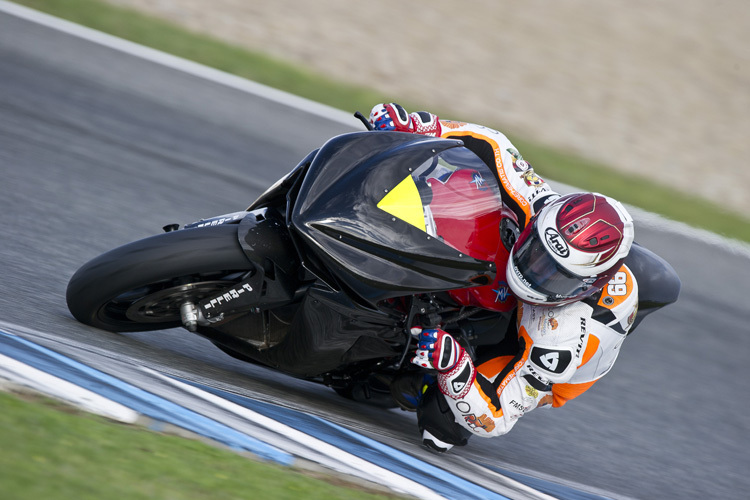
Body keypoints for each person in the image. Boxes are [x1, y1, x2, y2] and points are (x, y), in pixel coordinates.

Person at [369, 103, 637, 452]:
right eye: (537, 252)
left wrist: (454, 366)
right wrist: (422, 124)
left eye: (553, 275)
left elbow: (496, 418)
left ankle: (409, 377)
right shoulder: (538, 204)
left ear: (585, 287)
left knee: (441, 424)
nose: (533, 272)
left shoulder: (559, 342)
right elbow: (494, 145)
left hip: (536, 345)